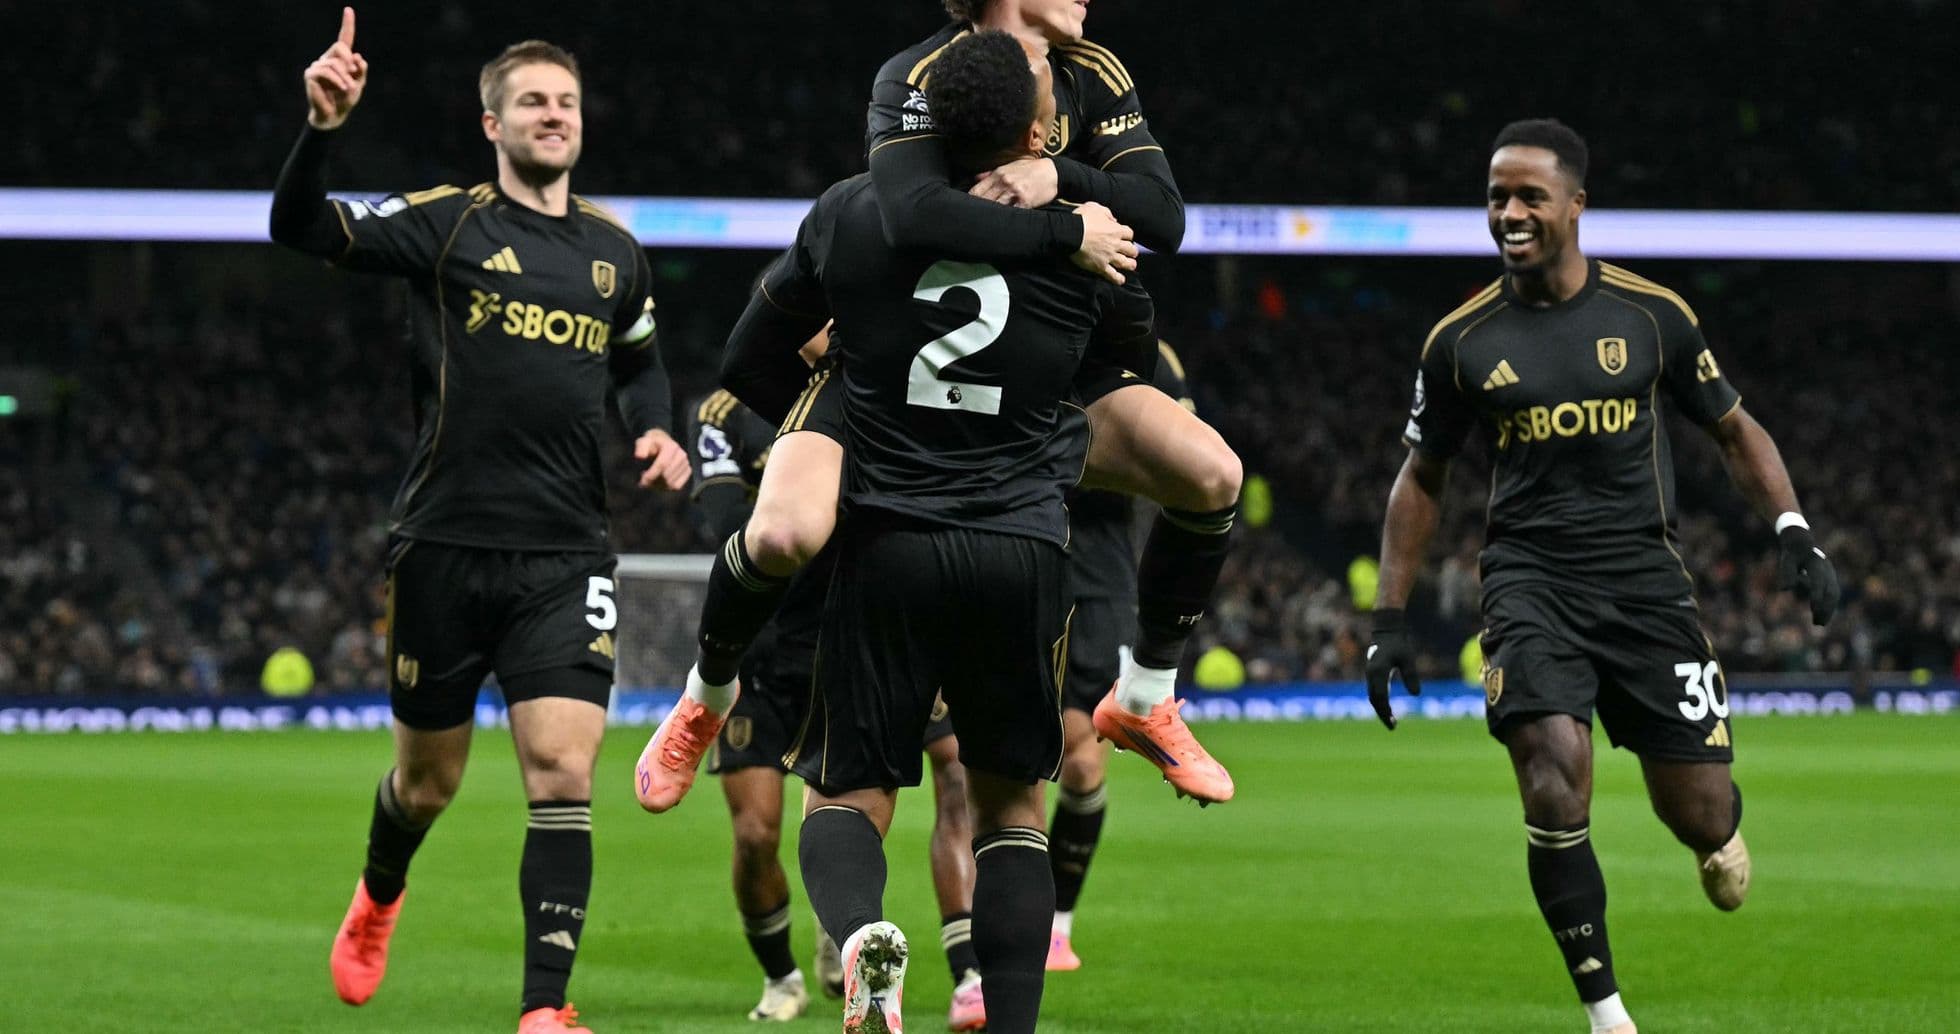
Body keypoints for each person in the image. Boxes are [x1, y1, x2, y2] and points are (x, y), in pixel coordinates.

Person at [646, 0, 1241, 820]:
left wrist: (1057, 176)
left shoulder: (1095, 73)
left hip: (1046, 364)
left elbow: (1163, 215)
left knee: (1212, 473)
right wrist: (1063, 233)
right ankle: (706, 695)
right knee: (784, 532)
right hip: (900, 366)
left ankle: (1145, 695)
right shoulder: (918, 75)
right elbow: (909, 211)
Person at [1365, 118, 1840, 1034]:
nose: (1509, 212)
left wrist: (1793, 531)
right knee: (1551, 774)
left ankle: (1719, 831)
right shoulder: (1459, 342)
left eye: (1529, 196)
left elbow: (1734, 429)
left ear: (1576, 205)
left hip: (1646, 586)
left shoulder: (1650, 314)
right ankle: (1607, 1011)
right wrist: (1388, 615)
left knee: (1698, 813)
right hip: (1528, 583)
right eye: (1497, 196)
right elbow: (1422, 477)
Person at [270, 11, 689, 1034]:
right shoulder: (448, 222)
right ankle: (377, 895)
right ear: (492, 122)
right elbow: (301, 228)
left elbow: (639, 358)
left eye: (566, 102)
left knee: (561, 771)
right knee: (428, 781)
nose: (554, 115)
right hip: (445, 545)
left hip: (565, 552)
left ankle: (545, 1005)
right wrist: (321, 131)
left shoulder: (613, 254)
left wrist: (657, 430)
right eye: (533, 102)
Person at [762, 32, 1147, 1034]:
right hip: (1018, 547)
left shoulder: (859, 216)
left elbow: (752, 355)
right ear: (1036, 129)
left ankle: (857, 939)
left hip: (885, 540)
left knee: (846, 793)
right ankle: (1003, 1015)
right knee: (1010, 806)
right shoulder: (1083, 237)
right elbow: (1132, 350)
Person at [681, 357, 989, 1029]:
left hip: (869, 634)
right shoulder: (725, 412)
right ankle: (781, 974)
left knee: (955, 771)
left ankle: (957, 967)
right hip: (765, 652)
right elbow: (732, 521)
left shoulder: (888, 390)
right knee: (758, 831)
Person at [1044, 338, 1192, 971]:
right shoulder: (1014, 308)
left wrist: (1073, 457)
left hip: (1099, 572)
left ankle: (1054, 924)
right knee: (995, 765)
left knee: (1082, 765)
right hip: (1009, 546)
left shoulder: (1148, 350)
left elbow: (1179, 457)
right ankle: (977, 939)